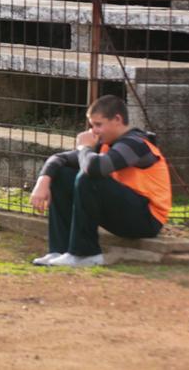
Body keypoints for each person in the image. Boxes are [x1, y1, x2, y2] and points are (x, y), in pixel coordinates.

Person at [29, 95, 171, 267]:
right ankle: (60, 250)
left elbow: (95, 169)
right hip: (122, 212)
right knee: (63, 174)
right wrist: (42, 183)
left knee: (89, 177)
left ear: (117, 119)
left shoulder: (136, 144)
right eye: (92, 125)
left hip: (146, 220)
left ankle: (85, 254)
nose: (93, 131)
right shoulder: (106, 144)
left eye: (98, 124)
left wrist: (84, 148)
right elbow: (58, 159)